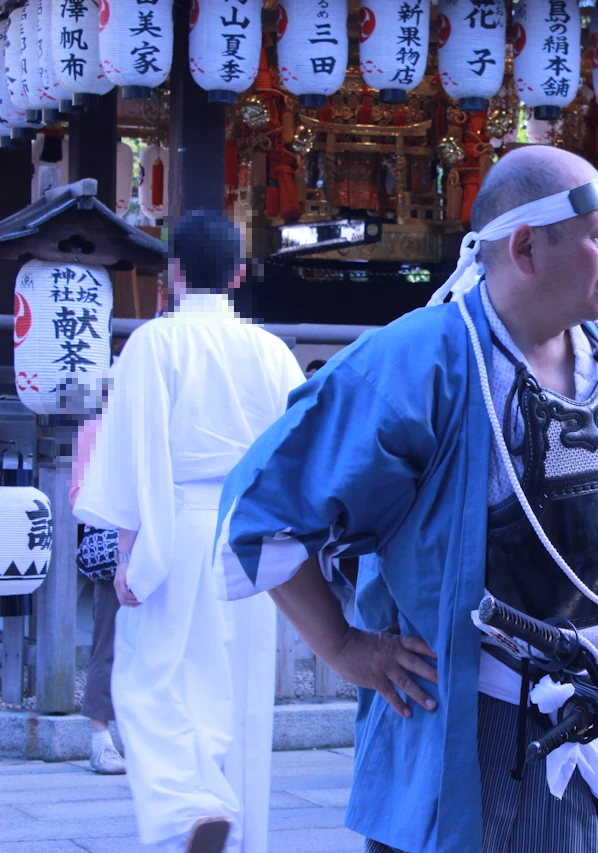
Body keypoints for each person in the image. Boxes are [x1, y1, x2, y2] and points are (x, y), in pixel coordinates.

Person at [212, 146, 598, 853]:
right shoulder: (420, 361)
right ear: (526, 245)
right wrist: (344, 647)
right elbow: (264, 511)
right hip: (481, 713)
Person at [73, 211, 304, 853]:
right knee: (241, 689)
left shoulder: (155, 343)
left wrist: (128, 552)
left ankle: (189, 805)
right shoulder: (270, 351)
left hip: (175, 525)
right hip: (252, 535)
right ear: (236, 273)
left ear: (173, 273)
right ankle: (236, 830)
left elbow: (131, 452)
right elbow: (299, 451)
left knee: (150, 678)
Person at [70, 415, 126, 776]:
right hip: (115, 538)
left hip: (166, 540)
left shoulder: (165, 420)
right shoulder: (97, 426)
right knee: (110, 639)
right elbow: (78, 493)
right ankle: (100, 740)